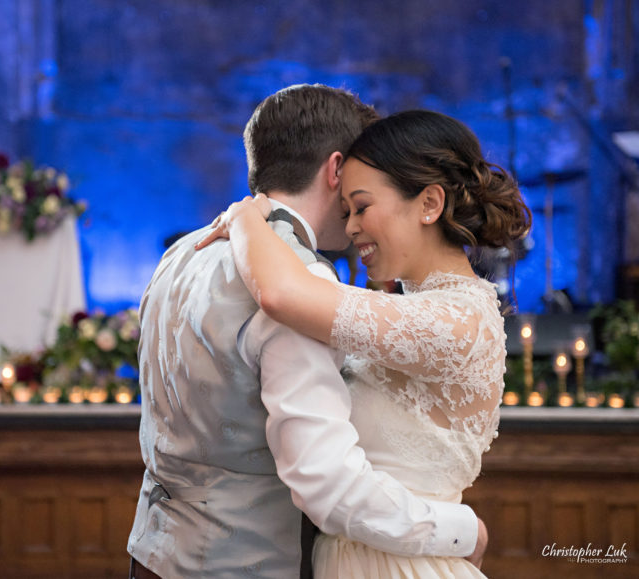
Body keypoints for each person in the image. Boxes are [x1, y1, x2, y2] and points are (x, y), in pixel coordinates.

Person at [128, 86, 487, 579]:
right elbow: (324, 478)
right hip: (246, 563)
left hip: (152, 550)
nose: (356, 220)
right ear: (336, 170)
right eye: (356, 193)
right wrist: (464, 531)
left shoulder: (185, 251)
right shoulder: (304, 284)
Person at [197, 109, 532, 577]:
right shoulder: (403, 307)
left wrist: (246, 216)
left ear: (429, 203)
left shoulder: (459, 320)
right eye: (346, 211)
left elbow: (280, 293)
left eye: (361, 206)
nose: (351, 228)